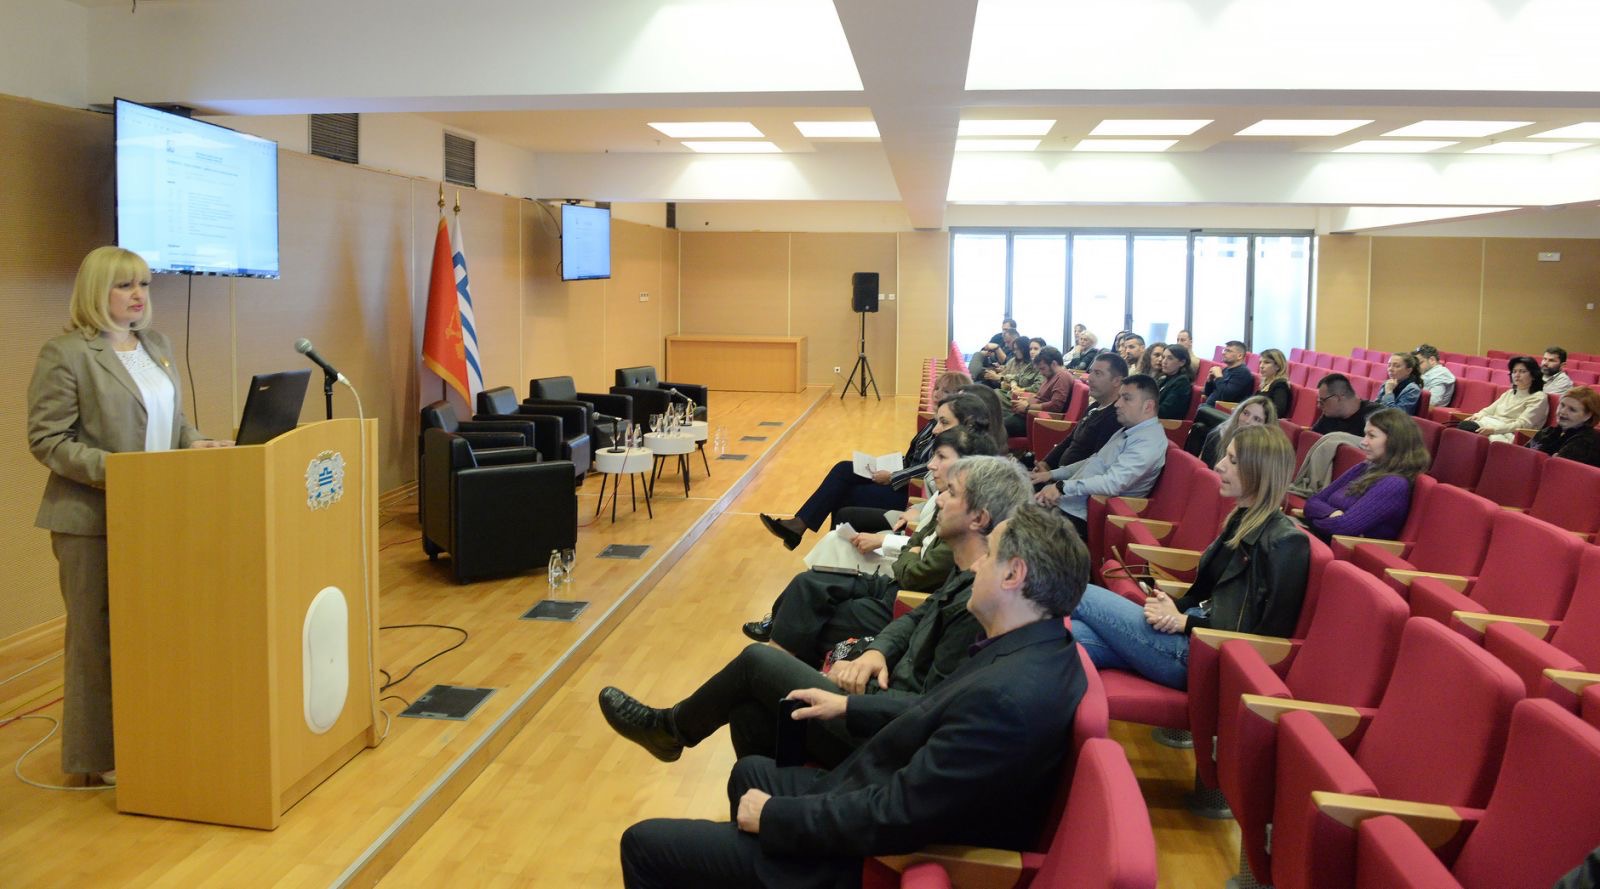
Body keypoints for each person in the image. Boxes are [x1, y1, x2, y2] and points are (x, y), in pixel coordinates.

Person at [617, 505, 1090, 889]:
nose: (978, 563)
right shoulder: (1036, 648)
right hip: (881, 790)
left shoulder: (1007, 699)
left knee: (642, 845)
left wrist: (778, 818)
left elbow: (897, 814)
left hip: (872, 859)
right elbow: (934, 714)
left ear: (1013, 575)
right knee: (749, 769)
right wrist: (850, 705)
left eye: (990, 555)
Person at [600, 455, 1033, 769]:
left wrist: (849, 703)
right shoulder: (969, 573)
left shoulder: (980, 603)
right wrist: (875, 653)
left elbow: (929, 711)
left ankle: (671, 729)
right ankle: (772, 818)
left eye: (951, 494)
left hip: (884, 736)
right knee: (749, 713)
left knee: (757, 661)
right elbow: (916, 619)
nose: (938, 500)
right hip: (879, 696)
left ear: (979, 518)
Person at [26, 246, 234, 786]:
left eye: (144, 284)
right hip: (90, 519)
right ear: (97, 291)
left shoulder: (155, 345)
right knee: (97, 638)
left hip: (155, 513)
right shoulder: (67, 353)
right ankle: (98, 758)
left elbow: (174, 421)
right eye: (124, 285)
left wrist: (195, 443)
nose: (139, 295)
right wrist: (122, 471)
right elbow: (48, 440)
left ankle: (150, 735)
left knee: (152, 630)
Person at [1069, 424, 1309, 689]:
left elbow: (1267, 639)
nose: (1219, 466)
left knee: (1078, 593)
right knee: (1071, 637)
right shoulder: (1242, 518)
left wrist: (1184, 622)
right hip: (1187, 635)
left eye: (1232, 461)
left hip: (1200, 654)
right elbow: (1206, 593)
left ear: (1259, 471)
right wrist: (1173, 608)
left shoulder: (1285, 543)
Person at [745, 426, 1001, 661]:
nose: (931, 464)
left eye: (941, 457)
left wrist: (903, 546)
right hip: (896, 575)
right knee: (807, 583)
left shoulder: (962, 523)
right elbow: (917, 541)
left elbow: (914, 573)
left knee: (829, 556)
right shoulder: (950, 501)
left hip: (902, 591)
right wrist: (912, 548)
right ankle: (779, 626)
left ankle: (778, 645)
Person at [759, 387, 988, 550]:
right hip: (908, 481)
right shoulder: (936, 429)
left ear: (966, 421)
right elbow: (917, 460)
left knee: (846, 496)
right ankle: (806, 530)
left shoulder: (963, 451)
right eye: (936, 388)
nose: (936, 393)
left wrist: (893, 476)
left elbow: (926, 471)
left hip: (911, 491)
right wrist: (890, 464)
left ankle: (826, 546)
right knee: (844, 470)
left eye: (944, 421)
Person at [1035, 374, 1167, 537]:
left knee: (1014, 520)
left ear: (1148, 406)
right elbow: (1093, 461)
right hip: (1069, 501)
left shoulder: (1148, 442)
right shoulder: (1128, 430)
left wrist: (1061, 487)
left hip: (1085, 516)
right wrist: (1051, 474)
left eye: (1126, 398)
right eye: (1119, 397)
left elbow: (1113, 484)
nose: (1117, 404)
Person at [1302, 407, 1428, 541]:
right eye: (1365, 435)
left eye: (1371, 436)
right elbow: (1312, 502)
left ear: (1395, 441)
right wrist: (1333, 513)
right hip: (1320, 538)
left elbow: (1342, 528)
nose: (1363, 442)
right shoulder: (1364, 467)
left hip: (1342, 548)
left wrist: (1315, 518)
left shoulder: (1394, 484)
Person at [1031, 352, 1127, 478]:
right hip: (1057, 473)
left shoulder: (1115, 417)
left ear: (1116, 381)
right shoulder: (1095, 406)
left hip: (1071, 482)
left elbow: (1094, 464)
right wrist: (1046, 463)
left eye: (1098, 373)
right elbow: (1070, 439)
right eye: (1091, 372)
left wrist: (1052, 476)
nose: (1090, 378)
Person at [1458, 356, 1547, 443]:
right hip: (1490, 425)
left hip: (1509, 432)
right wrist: (1477, 416)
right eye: (1514, 371)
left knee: (1472, 433)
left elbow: (1522, 425)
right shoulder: (1510, 393)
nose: (1517, 375)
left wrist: (1494, 430)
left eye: (1522, 371)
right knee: (1465, 426)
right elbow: (1489, 410)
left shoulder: (1538, 397)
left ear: (1533, 375)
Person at [1005, 346, 1071, 437]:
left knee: (996, 428)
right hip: (1030, 415)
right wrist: (1025, 403)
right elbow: (1041, 398)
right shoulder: (1051, 376)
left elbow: (1055, 406)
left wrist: (1028, 407)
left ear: (1054, 364)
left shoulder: (1063, 377)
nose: (1041, 373)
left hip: (1038, 421)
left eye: (1043, 368)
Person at [1199, 394, 1278, 469]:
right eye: (1246, 413)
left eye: (1256, 419)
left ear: (1266, 427)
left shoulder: (1268, 454)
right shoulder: (1217, 437)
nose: (1247, 421)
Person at [1528, 386, 1600, 467]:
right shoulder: (1549, 431)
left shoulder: (1586, 441)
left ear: (1588, 416)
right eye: (1562, 405)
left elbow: (1555, 469)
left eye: (1572, 410)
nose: (1562, 411)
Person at [1311, 372, 1381, 436]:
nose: (1319, 406)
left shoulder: (1375, 415)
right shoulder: (1330, 414)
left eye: (1322, 401)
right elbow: (1313, 437)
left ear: (1338, 397)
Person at [1203, 340, 1256, 407]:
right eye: (1224, 350)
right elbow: (1208, 393)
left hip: (1223, 410)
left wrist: (1219, 377)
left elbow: (1226, 397)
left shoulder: (1243, 373)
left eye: (1228, 351)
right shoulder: (1226, 369)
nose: (1223, 353)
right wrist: (1209, 381)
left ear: (1239, 356)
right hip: (1209, 407)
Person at [1156, 344, 1194, 420]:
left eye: (1170, 358)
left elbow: (1165, 412)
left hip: (1165, 424)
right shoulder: (1164, 378)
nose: (1164, 361)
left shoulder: (1182, 382)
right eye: (1163, 357)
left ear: (1182, 362)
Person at [1414, 344, 1456, 410]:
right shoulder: (1427, 373)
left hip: (1426, 411)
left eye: (1420, 363)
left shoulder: (1441, 375)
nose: (1417, 367)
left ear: (1432, 360)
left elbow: (1431, 402)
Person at [1256, 348, 1292, 419]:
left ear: (1278, 366)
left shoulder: (1280, 385)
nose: (1261, 366)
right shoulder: (1266, 383)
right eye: (1260, 362)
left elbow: (1278, 411)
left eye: (1266, 362)